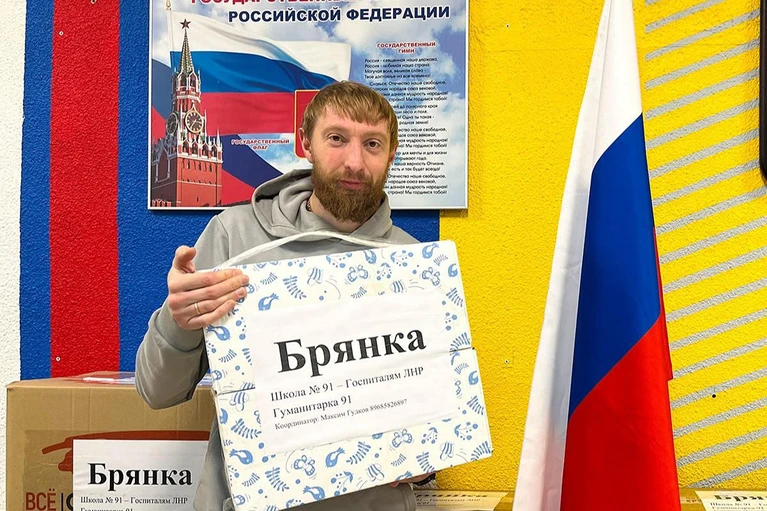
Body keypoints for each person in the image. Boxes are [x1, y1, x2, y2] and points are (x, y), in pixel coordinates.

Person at [135, 81, 433, 511]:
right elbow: (157, 393)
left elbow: (428, 413)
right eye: (337, 138)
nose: (354, 161)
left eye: (372, 144)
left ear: (391, 154)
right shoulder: (234, 235)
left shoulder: (414, 263)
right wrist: (177, 321)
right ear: (305, 143)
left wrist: (426, 458)